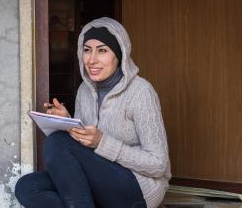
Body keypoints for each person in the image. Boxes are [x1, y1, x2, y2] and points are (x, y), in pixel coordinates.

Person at [15, 17, 171, 208]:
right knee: (27, 187)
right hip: (98, 182)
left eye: (102, 50)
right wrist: (68, 123)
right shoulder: (84, 91)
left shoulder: (141, 92)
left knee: (56, 142)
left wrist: (103, 142)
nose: (91, 59)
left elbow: (158, 164)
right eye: (87, 50)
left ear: (119, 54)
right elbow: (83, 151)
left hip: (137, 188)